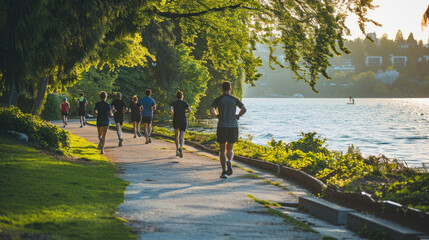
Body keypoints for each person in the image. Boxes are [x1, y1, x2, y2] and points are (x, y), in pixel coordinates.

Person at [210, 81, 247, 179]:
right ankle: (229, 161)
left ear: (222, 89)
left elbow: (212, 110)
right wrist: (238, 116)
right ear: (230, 89)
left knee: (222, 150)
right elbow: (244, 109)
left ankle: (224, 172)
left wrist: (216, 115)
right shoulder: (234, 99)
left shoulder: (218, 99)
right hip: (233, 127)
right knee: (230, 149)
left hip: (222, 127)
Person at [170, 90, 191, 158]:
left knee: (176, 135)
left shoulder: (173, 103)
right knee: (182, 136)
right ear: (182, 96)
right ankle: (181, 147)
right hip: (183, 120)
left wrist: (173, 112)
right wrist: (185, 112)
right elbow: (190, 110)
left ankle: (177, 150)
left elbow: (171, 110)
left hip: (176, 119)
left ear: (176, 96)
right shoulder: (185, 103)